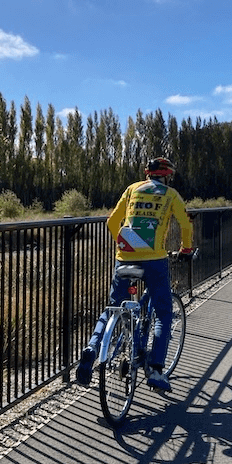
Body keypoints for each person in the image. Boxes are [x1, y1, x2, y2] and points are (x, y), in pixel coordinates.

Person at [76, 157, 194, 393]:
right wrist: (186, 249)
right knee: (162, 312)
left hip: (125, 257)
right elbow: (185, 224)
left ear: (147, 174)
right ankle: (157, 369)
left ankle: (91, 348)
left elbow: (112, 222)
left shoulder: (131, 190)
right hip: (154, 260)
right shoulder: (170, 194)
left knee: (113, 307)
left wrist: (124, 244)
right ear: (167, 176)